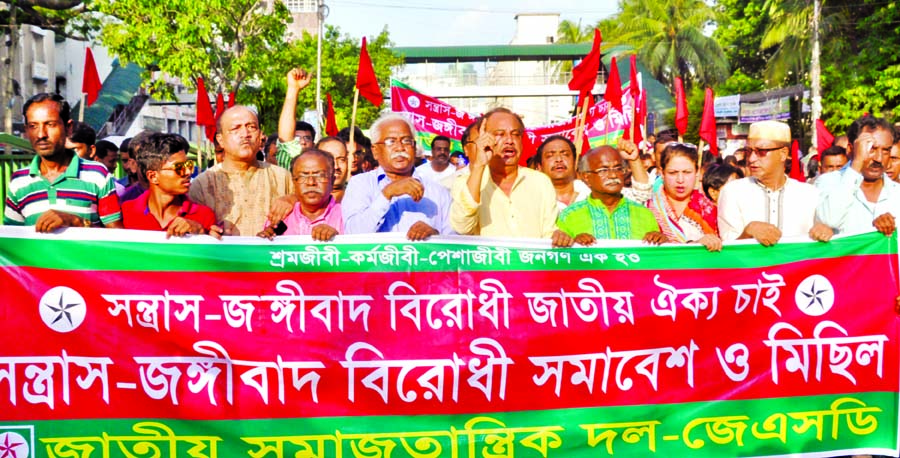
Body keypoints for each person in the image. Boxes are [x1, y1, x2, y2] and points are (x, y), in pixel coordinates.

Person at [4, 93, 122, 231]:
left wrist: (77, 222)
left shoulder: (98, 175)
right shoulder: (19, 181)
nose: (41, 134)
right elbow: (12, 240)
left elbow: (118, 238)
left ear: (68, 128)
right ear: (26, 130)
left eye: (50, 124)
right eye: (33, 126)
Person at [718, 120, 833, 245]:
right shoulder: (732, 192)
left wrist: (825, 231)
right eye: (749, 152)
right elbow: (728, 253)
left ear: (783, 154)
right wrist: (748, 232)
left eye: (761, 152)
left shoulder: (810, 195)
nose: (751, 159)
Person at [450, 108, 558, 238]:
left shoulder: (540, 182)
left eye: (516, 134)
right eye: (500, 134)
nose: (509, 140)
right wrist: (479, 165)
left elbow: (549, 233)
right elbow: (462, 227)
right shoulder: (466, 182)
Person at [342, 113, 452, 240]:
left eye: (406, 141)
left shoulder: (438, 192)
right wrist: (387, 194)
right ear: (375, 151)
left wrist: (435, 236)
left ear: (414, 147)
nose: (400, 147)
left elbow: (455, 245)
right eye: (391, 141)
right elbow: (353, 234)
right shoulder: (360, 184)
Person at [189, 105, 293, 236]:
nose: (245, 134)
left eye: (251, 127)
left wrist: (293, 198)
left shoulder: (282, 177)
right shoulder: (202, 185)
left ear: (260, 135)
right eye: (235, 129)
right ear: (220, 140)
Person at [553, 146, 665, 247]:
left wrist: (661, 241)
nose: (613, 175)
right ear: (586, 177)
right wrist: (574, 246)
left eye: (618, 169)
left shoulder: (644, 214)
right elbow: (561, 260)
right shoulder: (568, 216)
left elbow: (656, 261)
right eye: (604, 170)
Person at [817, 115, 900, 236]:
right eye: (871, 149)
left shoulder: (896, 193)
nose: (879, 158)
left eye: (886, 150)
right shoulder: (829, 182)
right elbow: (830, 220)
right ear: (851, 149)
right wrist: (857, 163)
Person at [122, 133, 217, 237]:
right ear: (153, 176)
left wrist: (202, 235)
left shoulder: (203, 216)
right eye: (179, 167)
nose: (188, 172)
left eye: (189, 165)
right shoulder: (126, 213)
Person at [646, 143, 722, 251]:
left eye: (687, 172)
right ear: (662, 173)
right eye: (672, 173)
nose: (680, 180)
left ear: (697, 172)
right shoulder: (648, 209)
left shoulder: (711, 211)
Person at [258, 149, 343, 241]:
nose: (311, 182)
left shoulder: (346, 216)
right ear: (294, 182)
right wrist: (264, 240)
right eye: (303, 176)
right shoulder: (282, 216)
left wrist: (337, 239)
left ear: (332, 180)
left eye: (320, 175)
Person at [275, 68, 314, 171]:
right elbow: (286, 141)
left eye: (307, 138)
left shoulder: (323, 165)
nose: (302, 142)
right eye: (296, 139)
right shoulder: (289, 168)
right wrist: (293, 89)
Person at [315, 136, 350, 202]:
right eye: (329, 160)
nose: (336, 166)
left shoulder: (358, 196)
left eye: (341, 160)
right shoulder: (302, 202)